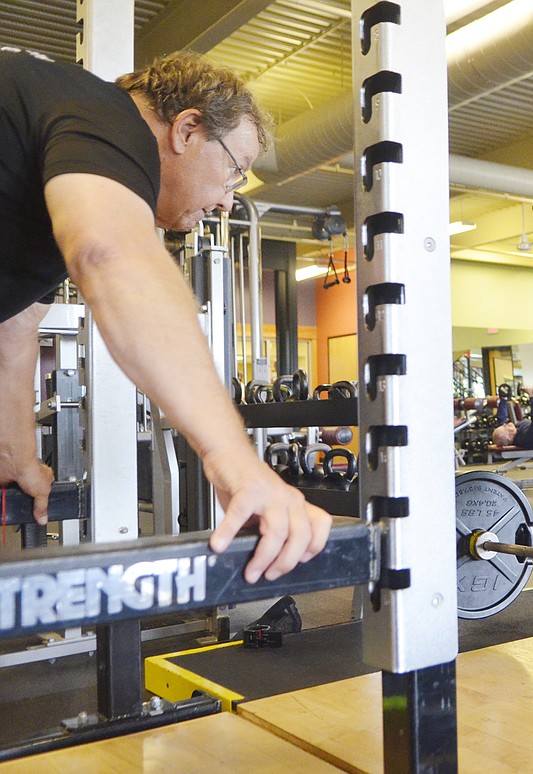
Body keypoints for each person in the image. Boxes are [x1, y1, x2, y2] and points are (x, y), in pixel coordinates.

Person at [0, 47, 331, 583]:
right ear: (187, 129)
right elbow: (113, 255)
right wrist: (238, 462)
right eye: (234, 172)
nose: (227, 202)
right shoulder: (106, 114)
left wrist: (14, 451)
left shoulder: (47, 180)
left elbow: (13, 329)